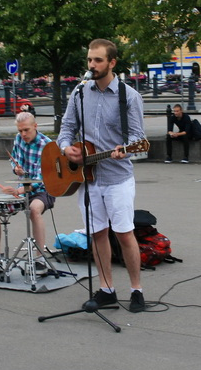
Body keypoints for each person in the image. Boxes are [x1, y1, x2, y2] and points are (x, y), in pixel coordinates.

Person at [58, 38, 147, 313]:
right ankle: (107, 288)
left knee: (124, 234)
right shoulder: (80, 93)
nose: (92, 65)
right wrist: (66, 148)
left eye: (97, 60)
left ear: (112, 62)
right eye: (89, 60)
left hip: (117, 177)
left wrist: (125, 150)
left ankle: (136, 290)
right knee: (97, 234)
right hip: (87, 178)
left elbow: (138, 138)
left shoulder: (128, 96)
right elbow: (66, 128)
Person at [0, 112, 55, 272]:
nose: (23, 134)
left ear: (35, 126)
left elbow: (41, 179)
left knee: (34, 210)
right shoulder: (18, 139)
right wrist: (16, 169)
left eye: (26, 130)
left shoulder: (47, 145)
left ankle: (40, 259)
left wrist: (19, 190)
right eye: (20, 130)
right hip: (22, 189)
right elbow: (14, 159)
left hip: (44, 190)